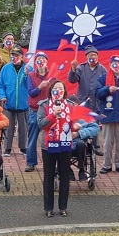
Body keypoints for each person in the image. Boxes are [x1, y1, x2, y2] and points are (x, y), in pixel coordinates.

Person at [38, 81, 78, 216]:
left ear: (64, 91)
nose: (58, 91)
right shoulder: (44, 105)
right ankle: (48, 208)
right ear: (51, 91)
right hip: (48, 145)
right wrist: (52, 115)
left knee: (64, 176)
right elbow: (41, 125)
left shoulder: (71, 106)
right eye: (55, 88)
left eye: (60, 89)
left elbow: (72, 124)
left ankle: (63, 207)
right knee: (49, 176)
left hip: (65, 144)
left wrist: (76, 127)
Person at [96, 55, 119, 175]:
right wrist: (107, 89)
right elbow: (97, 93)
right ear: (110, 65)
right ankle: (106, 164)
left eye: (118, 64)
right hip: (107, 114)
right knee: (107, 141)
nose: (116, 66)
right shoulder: (103, 78)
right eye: (114, 64)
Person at [68, 45, 107, 156]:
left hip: (96, 101)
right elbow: (72, 79)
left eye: (95, 55)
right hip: (83, 101)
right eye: (90, 55)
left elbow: (106, 83)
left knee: (94, 124)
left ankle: (95, 146)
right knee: (83, 124)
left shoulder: (102, 69)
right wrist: (73, 69)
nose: (93, 57)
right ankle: (83, 145)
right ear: (86, 57)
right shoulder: (81, 68)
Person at [25, 50, 52, 171]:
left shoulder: (52, 75)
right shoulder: (31, 76)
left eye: (43, 60)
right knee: (32, 137)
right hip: (35, 110)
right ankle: (31, 162)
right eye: (38, 60)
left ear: (47, 62)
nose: (41, 62)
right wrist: (40, 87)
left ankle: (52, 161)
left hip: (49, 111)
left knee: (52, 136)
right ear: (35, 62)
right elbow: (31, 92)